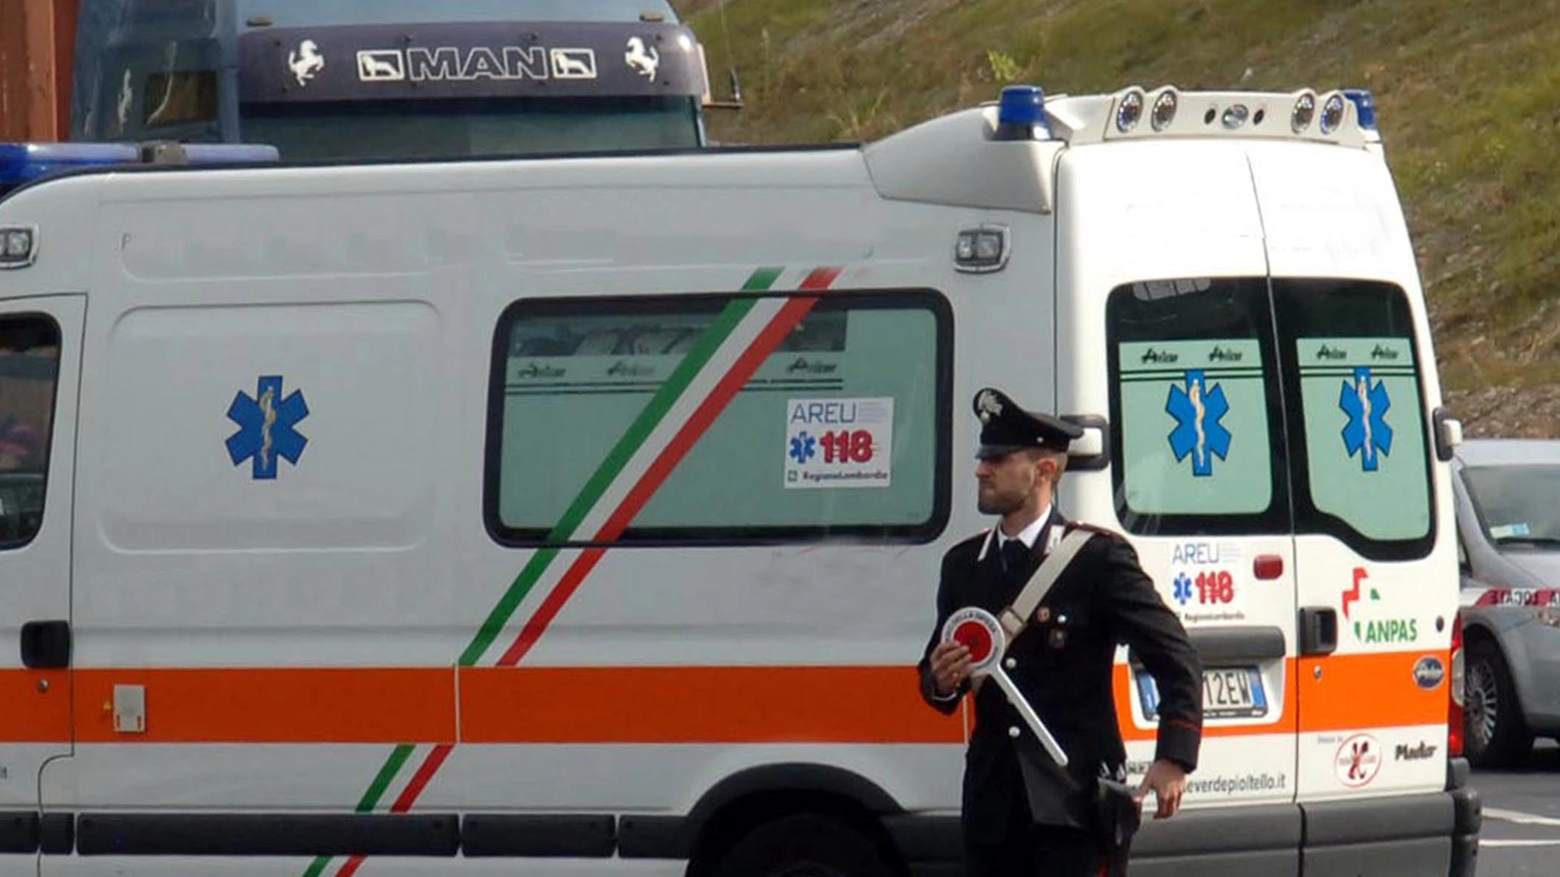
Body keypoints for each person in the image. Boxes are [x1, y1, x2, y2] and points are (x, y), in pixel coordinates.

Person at [918, 387, 1203, 877]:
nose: (980, 470)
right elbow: (939, 677)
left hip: (1074, 806)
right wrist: (940, 681)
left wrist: (1174, 758)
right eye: (981, 457)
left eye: (998, 459)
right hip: (993, 809)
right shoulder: (964, 565)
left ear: (1045, 470)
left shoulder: (1097, 559)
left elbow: (1175, 656)